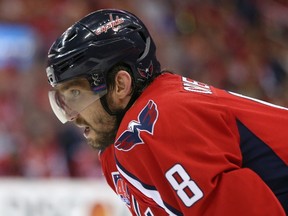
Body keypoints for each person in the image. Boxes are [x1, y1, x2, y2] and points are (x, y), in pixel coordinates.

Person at [45, 9, 288, 215]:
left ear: (120, 85)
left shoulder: (153, 124)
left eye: (76, 94)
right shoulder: (117, 148)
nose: (73, 117)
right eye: (64, 100)